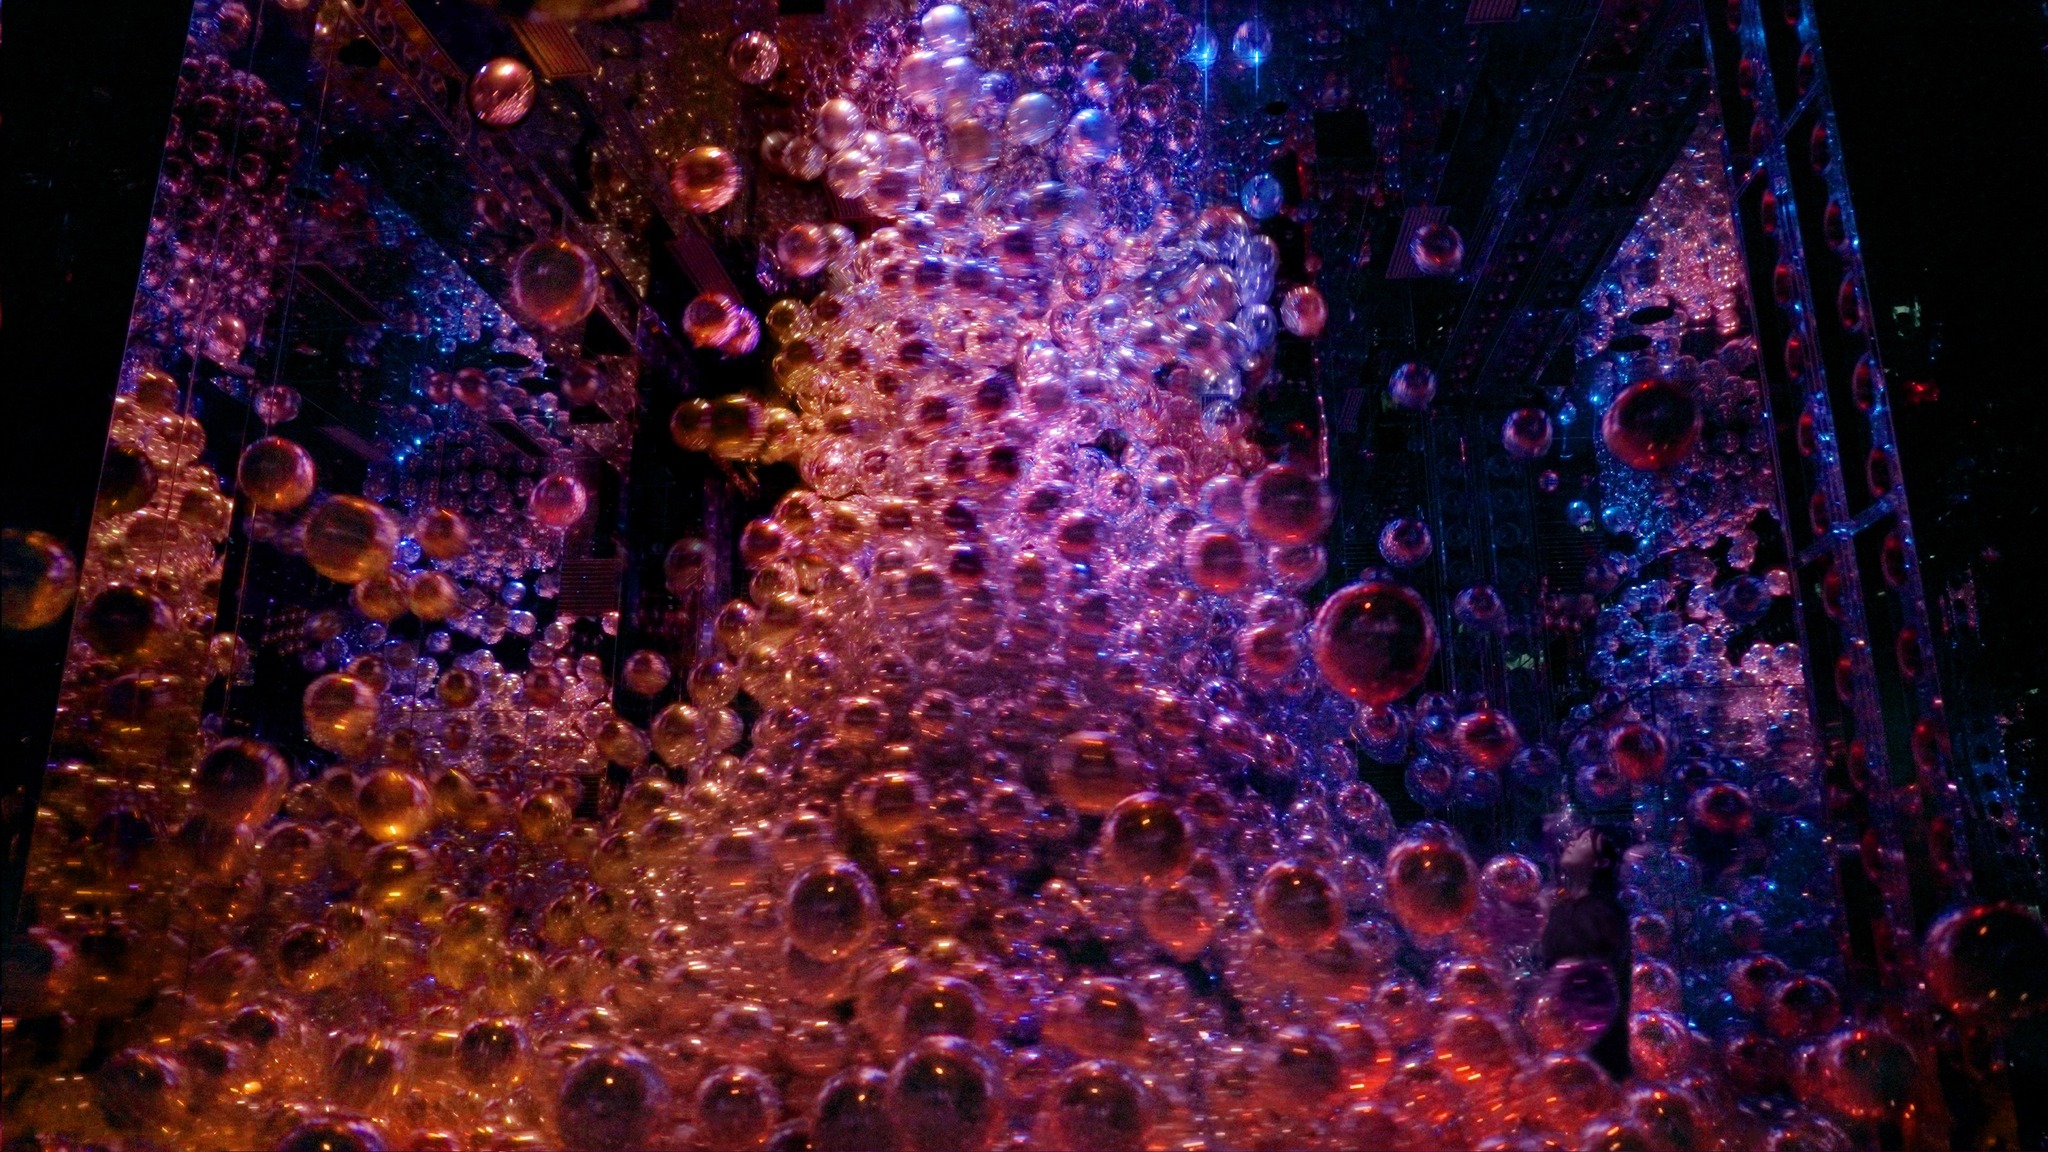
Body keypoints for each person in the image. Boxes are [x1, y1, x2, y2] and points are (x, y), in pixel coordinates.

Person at [1541, 825, 1632, 1080]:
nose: (1572, 842)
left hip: (1597, 1051)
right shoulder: (1563, 909)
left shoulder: (1605, 910)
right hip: (1560, 1040)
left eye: (1583, 840)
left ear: (1602, 862)